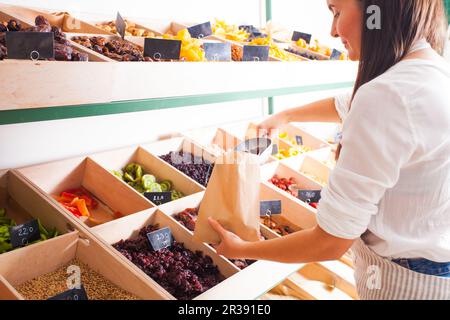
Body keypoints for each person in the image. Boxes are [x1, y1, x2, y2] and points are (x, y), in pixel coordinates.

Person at [208, 0, 450, 299]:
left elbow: (330, 243)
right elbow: (349, 102)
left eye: (336, 12)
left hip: (406, 285)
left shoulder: (388, 94)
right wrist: (287, 115)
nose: (333, 31)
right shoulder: (430, 70)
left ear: (377, 11)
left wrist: (241, 249)